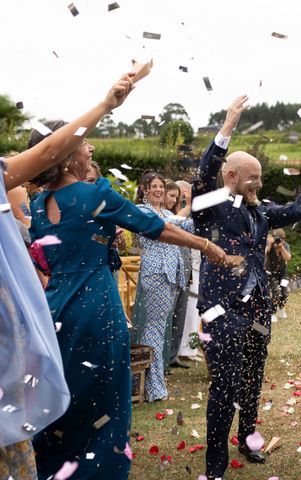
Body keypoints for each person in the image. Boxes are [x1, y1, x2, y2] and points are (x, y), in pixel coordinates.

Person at [27, 105, 226, 479]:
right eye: (85, 145)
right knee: (105, 401)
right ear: (66, 155)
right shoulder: (93, 195)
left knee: (66, 398)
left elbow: (44, 259)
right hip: (96, 309)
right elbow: (156, 227)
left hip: (54, 311)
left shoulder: (38, 206)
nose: (91, 151)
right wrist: (205, 245)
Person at [0, 73, 131, 480]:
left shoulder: (36, 202)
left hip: (46, 306)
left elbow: (51, 149)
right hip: (80, 306)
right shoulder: (92, 195)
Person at [192, 96, 301, 480]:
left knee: (252, 376)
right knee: (225, 385)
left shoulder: (261, 209)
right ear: (231, 176)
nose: (259, 183)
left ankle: (247, 438)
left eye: (261, 177)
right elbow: (203, 175)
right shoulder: (211, 205)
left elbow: (299, 210)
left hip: (258, 309)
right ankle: (215, 465)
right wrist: (228, 126)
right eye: (254, 177)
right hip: (222, 310)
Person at [131, 172, 194, 400]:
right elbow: (165, 226)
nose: (158, 190)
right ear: (145, 189)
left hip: (172, 276)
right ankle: (152, 387)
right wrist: (187, 207)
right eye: (154, 186)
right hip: (156, 274)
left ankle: (154, 384)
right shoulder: (142, 211)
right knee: (154, 328)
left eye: (160, 186)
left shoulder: (167, 211)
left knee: (158, 328)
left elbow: (188, 226)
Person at [164, 179, 193, 369]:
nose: (175, 200)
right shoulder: (167, 217)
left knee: (180, 315)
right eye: (172, 196)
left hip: (185, 269)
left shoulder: (179, 214)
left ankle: (173, 355)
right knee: (168, 315)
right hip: (169, 271)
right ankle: (165, 356)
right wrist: (188, 206)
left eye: (177, 197)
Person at [265, 228, 291, 322]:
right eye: (277, 238)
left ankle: (281, 307)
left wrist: (282, 248)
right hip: (271, 273)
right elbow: (265, 253)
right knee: (276, 292)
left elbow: (287, 258)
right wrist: (270, 244)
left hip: (282, 273)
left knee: (284, 292)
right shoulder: (269, 246)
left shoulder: (285, 246)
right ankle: (272, 312)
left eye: (281, 238)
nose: (280, 240)